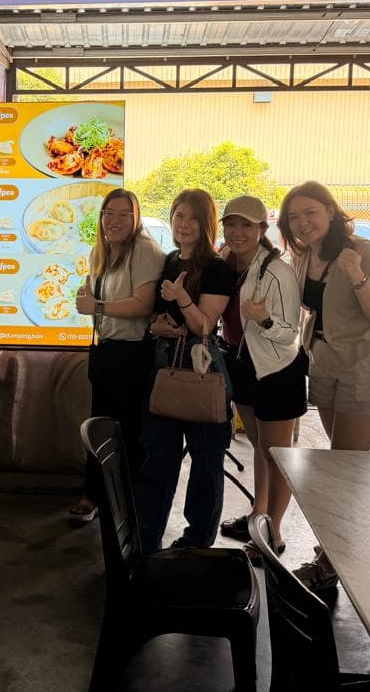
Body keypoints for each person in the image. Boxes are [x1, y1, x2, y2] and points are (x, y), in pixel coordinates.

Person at [278, 181, 370, 590]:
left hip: (366, 364)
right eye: (294, 216)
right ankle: (345, 549)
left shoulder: (363, 252)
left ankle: (330, 563)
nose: (302, 222)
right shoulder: (304, 255)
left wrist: (357, 276)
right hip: (326, 362)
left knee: (346, 466)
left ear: (330, 211)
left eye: (310, 212)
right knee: (340, 462)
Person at [136, 188, 235, 553]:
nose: (185, 224)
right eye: (179, 215)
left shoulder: (218, 268)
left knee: (206, 464)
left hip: (202, 369)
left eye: (194, 217)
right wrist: (156, 325)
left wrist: (182, 299)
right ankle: (147, 541)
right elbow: (156, 315)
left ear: (206, 223)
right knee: (158, 458)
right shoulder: (170, 260)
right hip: (164, 364)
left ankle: (195, 545)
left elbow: (205, 326)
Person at [214, 196, 307, 558]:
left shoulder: (277, 270)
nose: (237, 232)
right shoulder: (230, 263)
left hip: (277, 368)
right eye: (231, 224)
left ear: (261, 230)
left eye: (246, 225)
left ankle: (274, 531)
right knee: (258, 445)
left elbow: (289, 333)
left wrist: (264, 319)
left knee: (278, 454)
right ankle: (258, 514)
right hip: (243, 363)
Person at [72, 188, 164, 523]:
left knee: (128, 433)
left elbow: (143, 304)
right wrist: (90, 294)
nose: (115, 220)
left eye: (125, 213)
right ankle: (95, 495)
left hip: (132, 355)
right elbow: (96, 296)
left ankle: (126, 505)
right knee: (99, 426)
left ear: (136, 218)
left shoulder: (145, 250)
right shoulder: (103, 251)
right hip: (106, 352)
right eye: (109, 213)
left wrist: (96, 305)